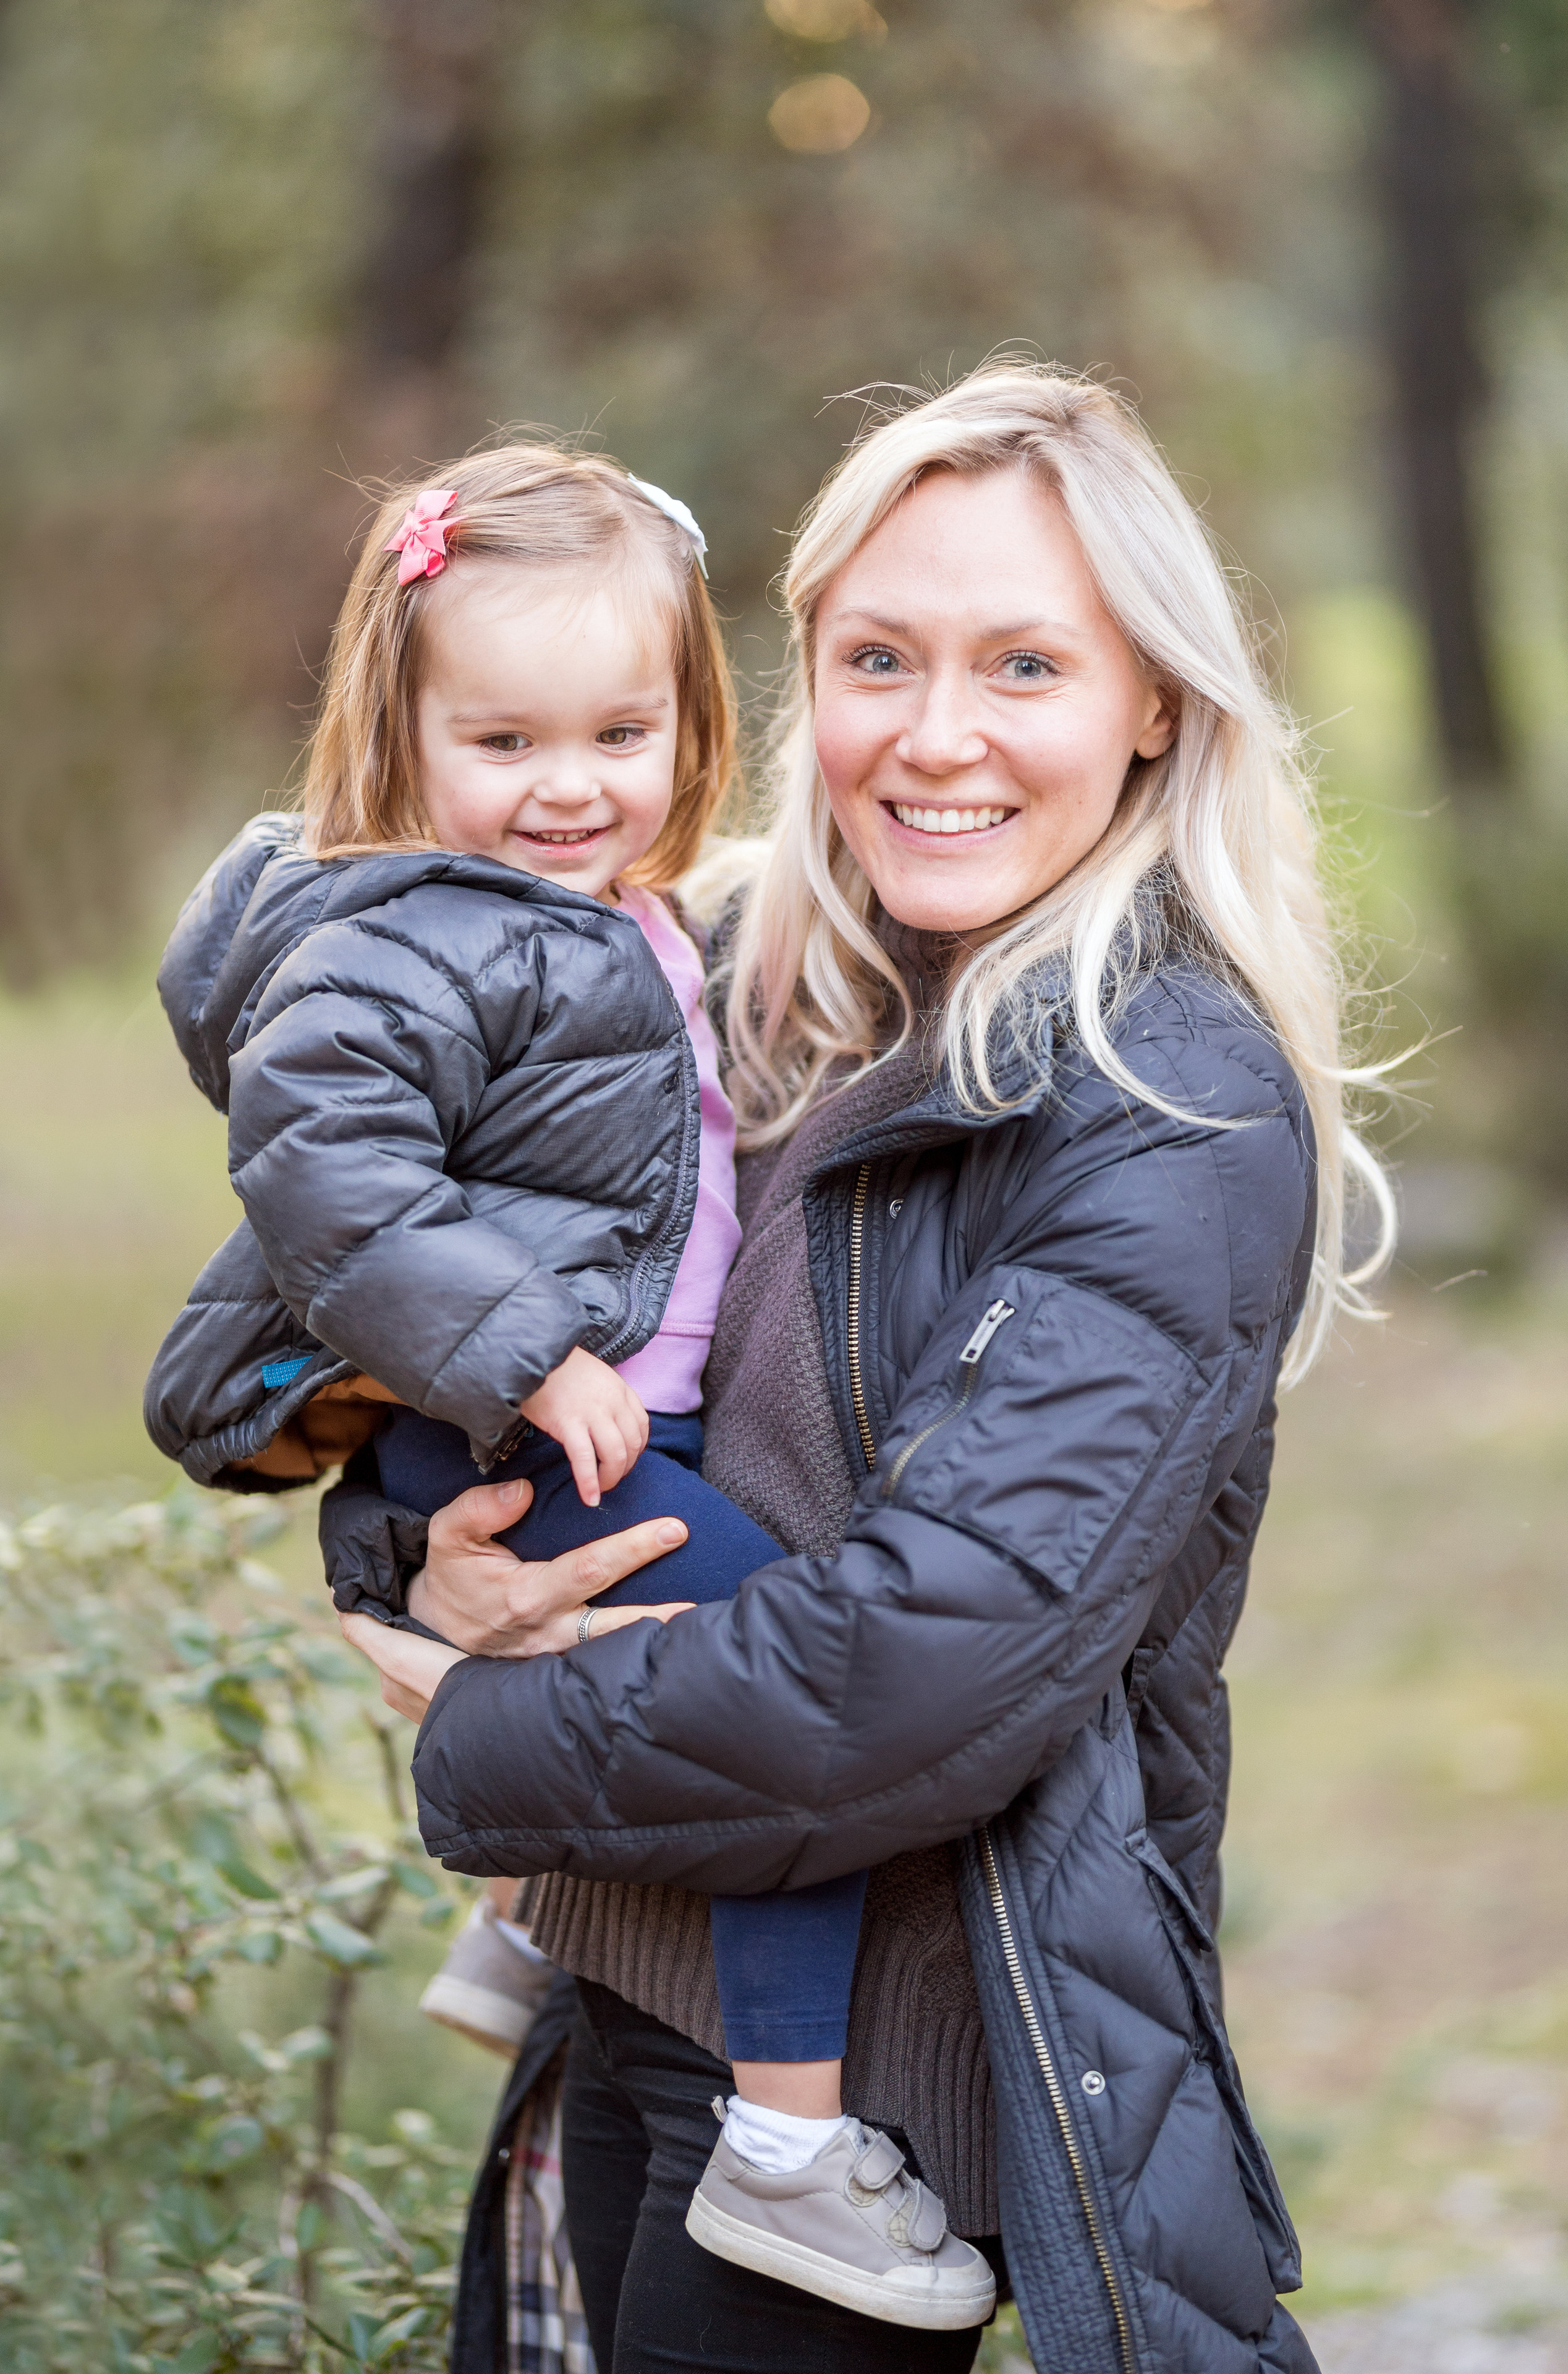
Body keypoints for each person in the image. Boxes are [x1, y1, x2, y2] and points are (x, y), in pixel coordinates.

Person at [333, 361, 1395, 2374]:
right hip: (635, 1985)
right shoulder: (746, 992)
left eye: (1023, 666)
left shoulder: (1168, 1107)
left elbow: (923, 1674)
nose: (936, 737)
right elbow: (506, 1369)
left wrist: (473, 1729)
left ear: (1152, 697)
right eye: (878, 658)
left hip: (869, 2099)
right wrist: (417, 1568)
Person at [140, 443, 993, 2329]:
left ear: (689, 720)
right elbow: (324, 1171)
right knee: (798, 1694)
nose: (569, 786)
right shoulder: (410, 939)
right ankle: (786, 2141)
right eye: (505, 741)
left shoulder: (614, 905)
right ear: (402, 731)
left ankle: (533, 1929)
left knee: (682, 1666)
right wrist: (523, 1348)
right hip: (533, 1405)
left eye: (622, 730)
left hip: (602, 1402)